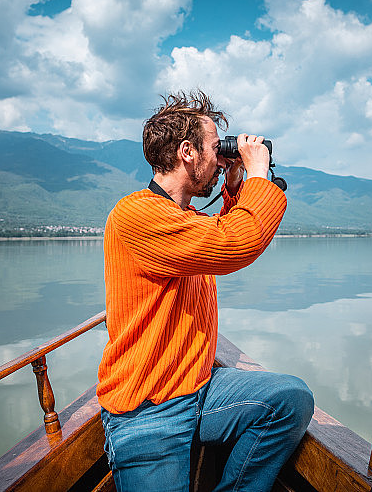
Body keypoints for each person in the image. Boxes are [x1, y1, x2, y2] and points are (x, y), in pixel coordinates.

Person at [97, 91, 314, 492]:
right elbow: (236, 243)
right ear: (187, 152)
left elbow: (218, 233)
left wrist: (234, 183)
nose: (221, 157)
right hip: (149, 409)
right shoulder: (137, 214)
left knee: (290, 399)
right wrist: (259, 174)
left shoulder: (184, 217)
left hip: (197, 386)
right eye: (217, 148)